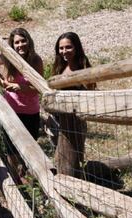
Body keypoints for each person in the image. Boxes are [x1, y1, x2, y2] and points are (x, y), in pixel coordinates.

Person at [0, 28, 43, 184]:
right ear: (12, 44)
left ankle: (25, 172)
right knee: (10, 147)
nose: (20, 45)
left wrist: (20, 87)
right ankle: (16, 178)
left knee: (30, 145)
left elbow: (41, 87)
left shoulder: (35, 60)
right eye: (17, 42)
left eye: (23, 41)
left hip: (31, 111)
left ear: (29, 41)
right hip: (11, 110)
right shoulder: (7, 58)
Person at [51, 32, 95, 177]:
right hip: (58, 119)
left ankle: (75, 181)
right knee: (59, 154)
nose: (64, 51)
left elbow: (91, 90)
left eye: (68, 47)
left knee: (75, 154)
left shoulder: (82, 67)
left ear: (76, 48)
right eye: (61, 48)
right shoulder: (59, 67)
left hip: (76, 120)